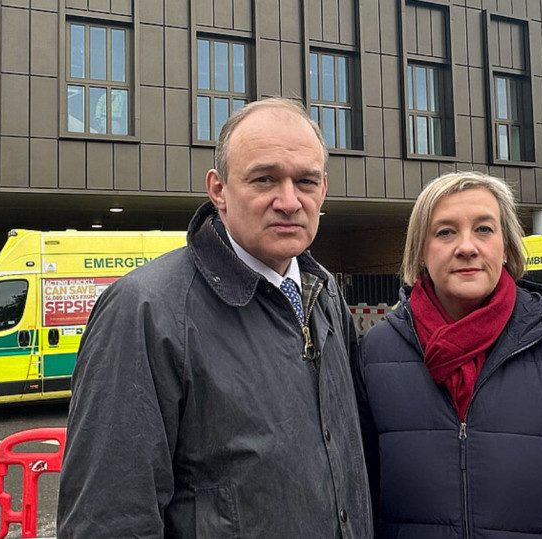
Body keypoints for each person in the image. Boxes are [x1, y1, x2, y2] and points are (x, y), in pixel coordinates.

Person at [57, 97, 372, 538]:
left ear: (323, 189)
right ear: (218, 190)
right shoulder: (144, 309)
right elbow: (108, 517)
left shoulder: (325, 295)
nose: (289, 201)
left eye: (305, 181)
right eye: (264, 179)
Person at [351, 171, 542, 538]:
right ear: (421, 251)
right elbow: (357, 496)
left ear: (506, 247)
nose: (467, 247)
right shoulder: (376, 351)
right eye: (445, 232)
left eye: (484, 229)